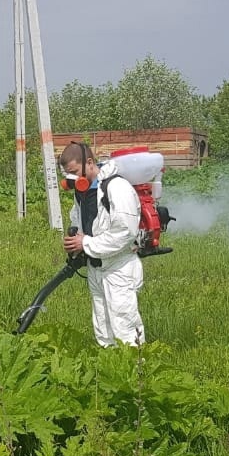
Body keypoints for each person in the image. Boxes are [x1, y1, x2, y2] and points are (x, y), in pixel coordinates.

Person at [60, 141, 145, 347]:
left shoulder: (116, 187)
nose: (70, 178)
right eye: (66, 174)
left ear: (89, 163)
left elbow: (125, 231)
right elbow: (78, 218)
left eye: (73, 171)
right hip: (96, 266)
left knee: (124, 325)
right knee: (102, 325)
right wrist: (76, 239)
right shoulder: (83, 191)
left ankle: (135, 372)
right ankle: (108, 367)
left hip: (118, 267)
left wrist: (86, 243)